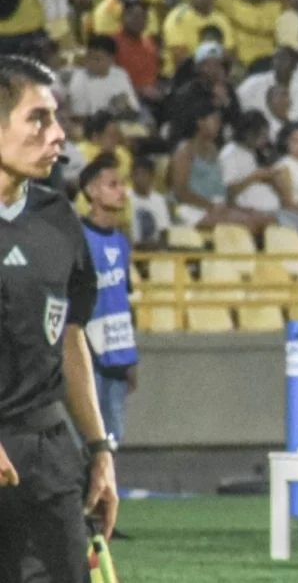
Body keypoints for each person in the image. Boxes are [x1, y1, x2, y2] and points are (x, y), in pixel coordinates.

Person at [0, 54, 119, 581]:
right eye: (38, 119)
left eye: (57, 118)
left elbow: (69, 333)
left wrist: (98, 448)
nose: (58, 136)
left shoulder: (57, 218)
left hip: (49, 452)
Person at [79, 155, 138, 487]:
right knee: (88, 440)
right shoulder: (79, 238)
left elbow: (121, 301)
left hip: (117, 355)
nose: (122, 192)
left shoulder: (121, 241)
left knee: (112, 439)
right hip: (89, 356)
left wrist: (131, 356)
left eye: (122, 184)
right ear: (92, 190)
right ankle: (80, 517)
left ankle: (101, 515)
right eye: (113, 185)